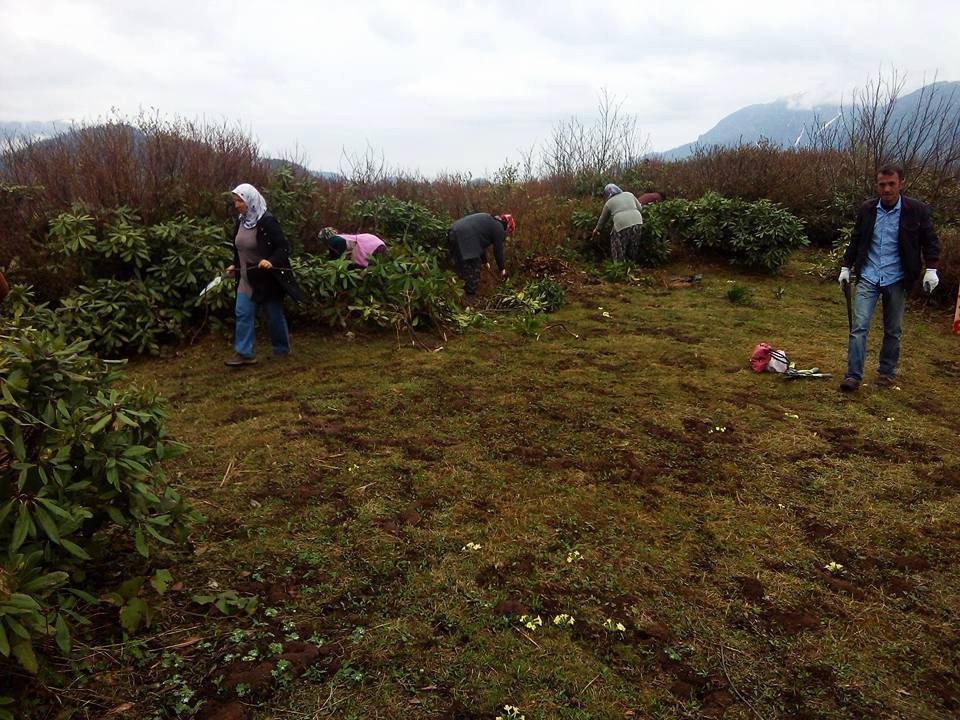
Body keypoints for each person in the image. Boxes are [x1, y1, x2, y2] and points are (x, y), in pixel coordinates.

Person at [837, 163, 940, 391]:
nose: (886, 189)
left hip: (897, 277)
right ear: (877, 185)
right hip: (869, 275)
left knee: (893, 329)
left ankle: (886, 372)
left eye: (891, 184)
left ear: (900, 184)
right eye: (882, 184)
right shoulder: (868, 209)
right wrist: (847, 266)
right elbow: (856, 239)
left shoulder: (916, 210)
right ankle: (853, 375)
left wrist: (931, 268)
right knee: (859, 327)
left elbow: (929, 240)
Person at [224, 183, 304, 367]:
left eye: (240, 201)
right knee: (242, 312)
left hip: (266, 278)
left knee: (273, 314)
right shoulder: (241, 221)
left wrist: (271, 261)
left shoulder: (267, 222)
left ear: (250, 200)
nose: (237, 205)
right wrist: (234, 264)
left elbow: (283, 248)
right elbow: (239, 249)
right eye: (235, 201)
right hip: (245, 277)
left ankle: (281, 349)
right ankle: (245, 354)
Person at [448, 213, 515, 303]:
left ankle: (456, 299)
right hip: (466, 237)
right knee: (474, 269)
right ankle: (469, 301)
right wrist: (502, 268)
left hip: (453, 232)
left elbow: (479, 241)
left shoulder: (489, 220)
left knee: (462, 268)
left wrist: (485, 261)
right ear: (507, 226)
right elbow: (498, 250)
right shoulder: (499, 228)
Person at [592, 184, 644, 262]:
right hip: (638, 222)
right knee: (633, 246)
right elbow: (640, 209)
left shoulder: (609, 203)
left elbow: (603, 220)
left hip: (621, 224)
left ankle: (619, 267)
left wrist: (597, 229)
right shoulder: (629, 194)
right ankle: (631, 265)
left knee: (617, 247)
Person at [318, 227, 388, 268]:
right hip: (377, 244)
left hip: (375, 247)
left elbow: (339, 257)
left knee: (373, 272)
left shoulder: (334, 239)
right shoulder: (343, 237)